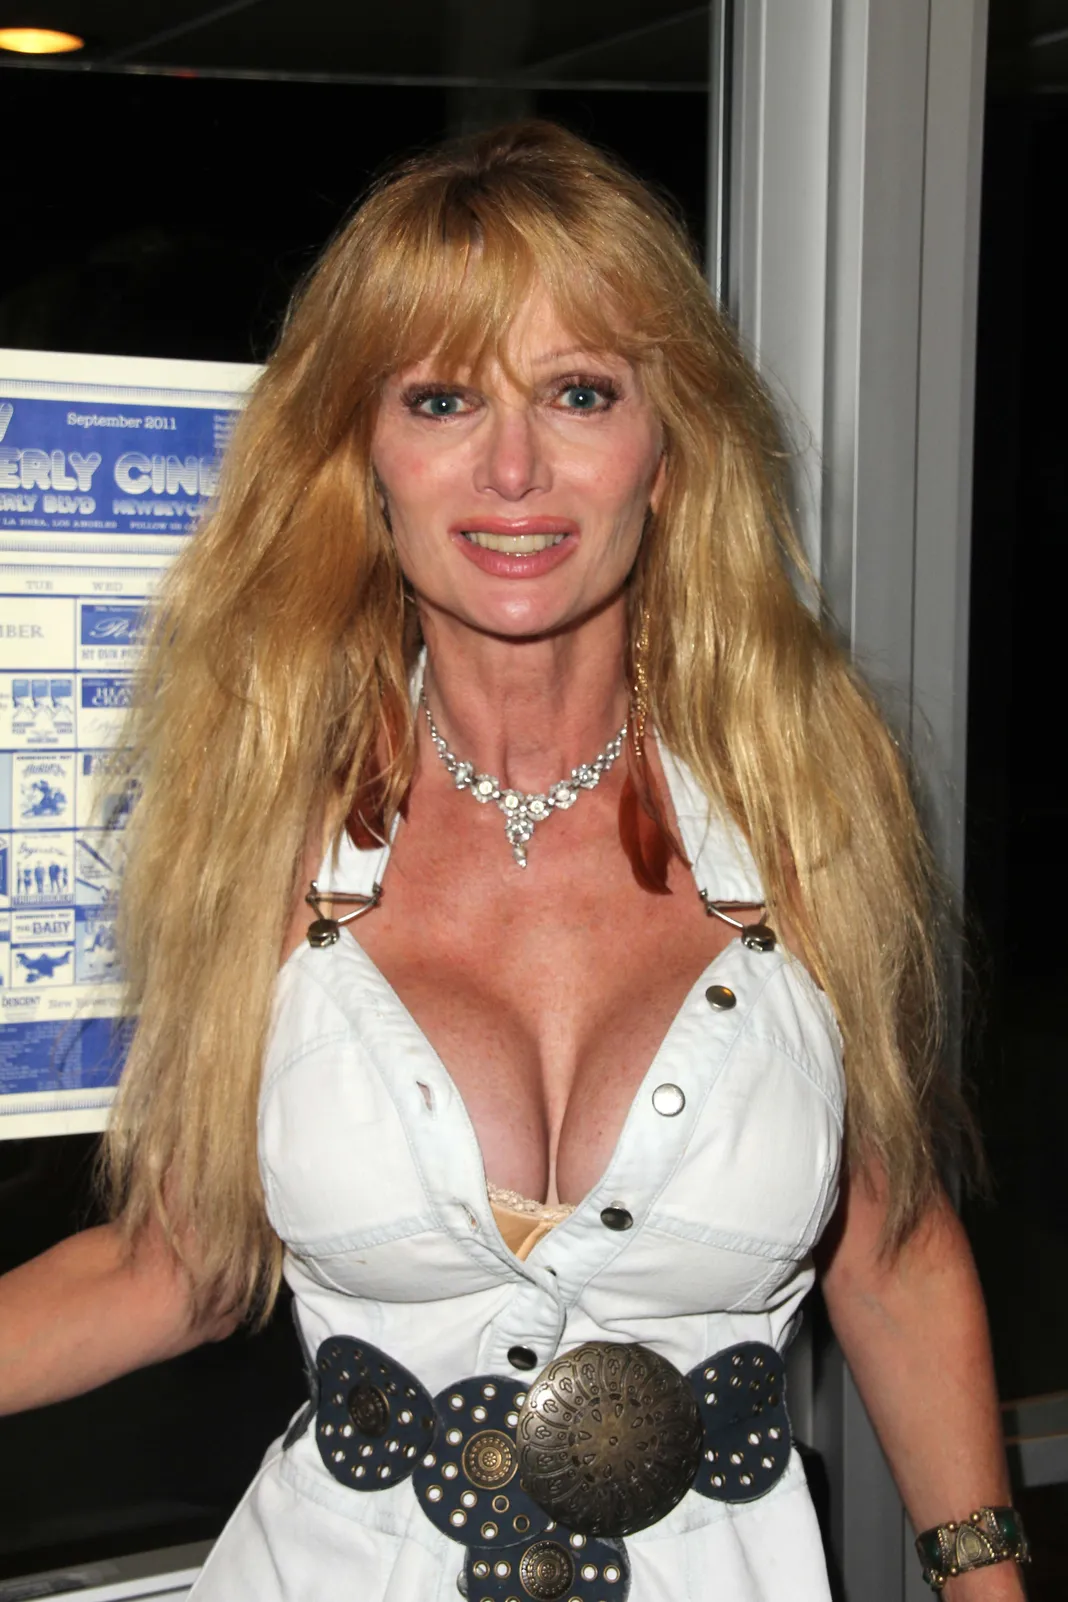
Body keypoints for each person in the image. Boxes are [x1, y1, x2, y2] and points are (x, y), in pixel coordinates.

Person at [0, 123, 1027, 1601]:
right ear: (364, 459)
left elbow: (894, 1252)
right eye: (442, 397)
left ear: (668, 452)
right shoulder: (266, 833)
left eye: (579, 392)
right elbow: (178, 1262)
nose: (513, 467)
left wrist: (988, 1582)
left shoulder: (811, 813)